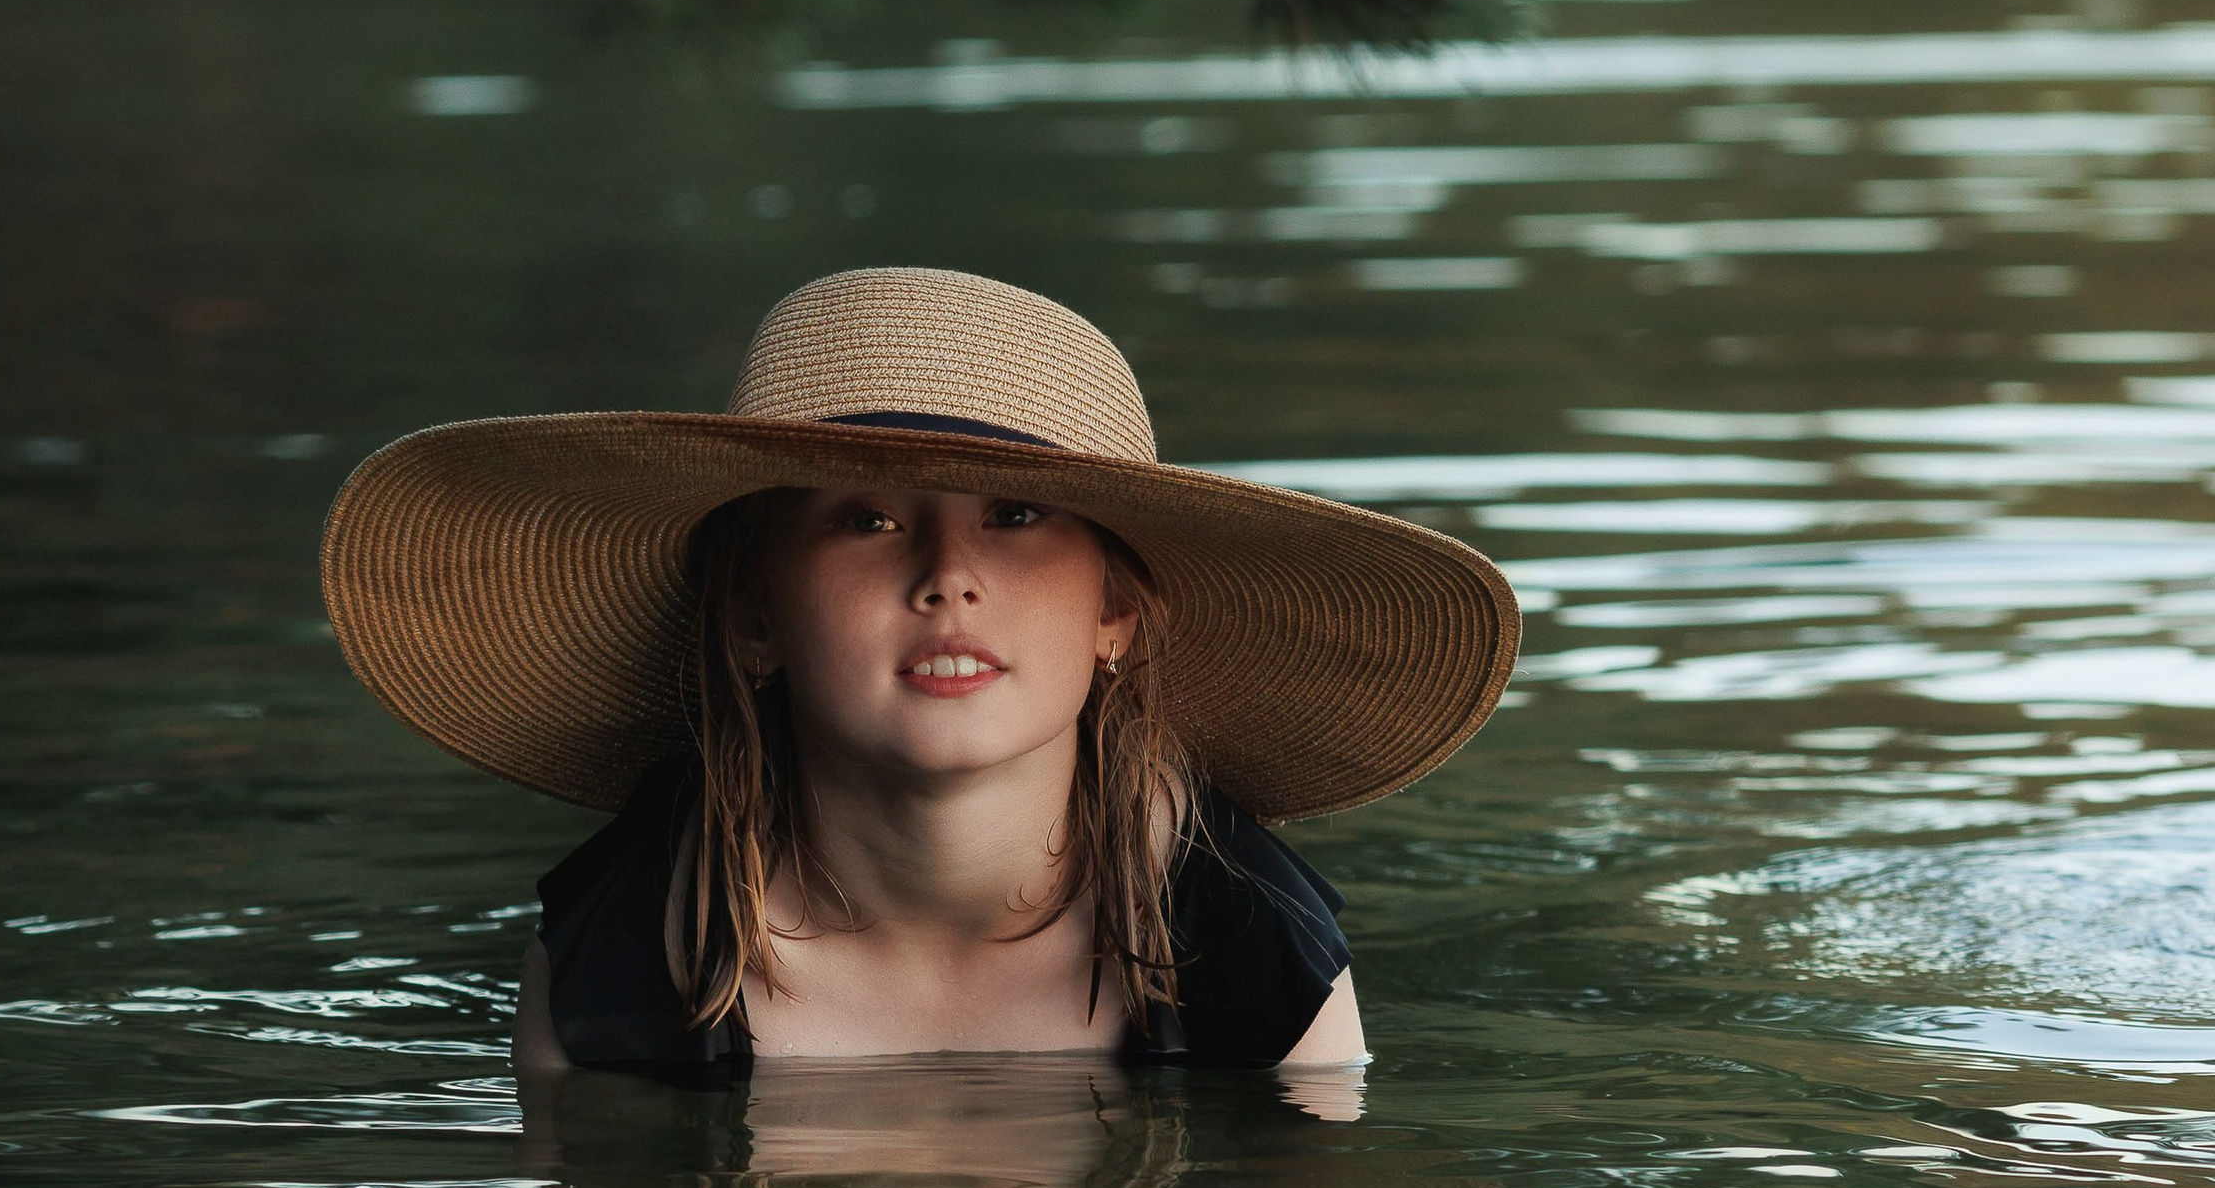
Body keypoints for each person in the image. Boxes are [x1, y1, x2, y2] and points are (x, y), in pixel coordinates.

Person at [320, 265, 1518, 1081]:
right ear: (752, 617)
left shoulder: (1255, 957)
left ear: (1116, 613)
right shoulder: (625, 961)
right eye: (867, 523)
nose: (948, 576)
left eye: (1014, 513)